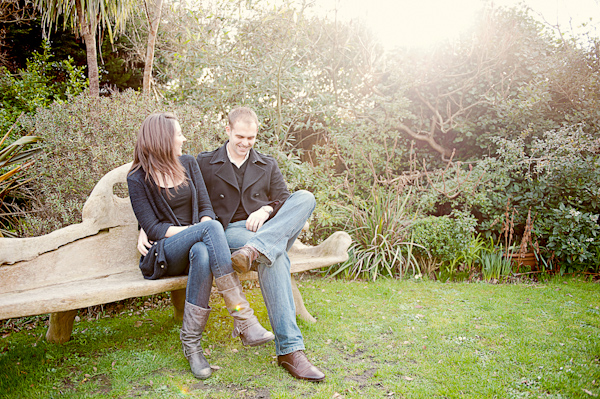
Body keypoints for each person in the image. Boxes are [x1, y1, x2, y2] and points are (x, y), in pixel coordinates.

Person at [127, 112, 274, 381]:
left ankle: (192, 346)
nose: (183, 138)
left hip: (197, 249)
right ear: (162, 140)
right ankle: (243, 319)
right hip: (164, 253)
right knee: (210, 230)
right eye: (178, 135)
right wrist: (198, 231)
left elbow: (206, 207)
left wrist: (202, 230)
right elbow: (154, 228)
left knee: (204, 249)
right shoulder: (137, 178)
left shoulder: (188, 163)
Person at [196, 107, 325, 382]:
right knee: (275, 257)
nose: (245, 143)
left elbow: (285, 200)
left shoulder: (267, 164)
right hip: (229, 234)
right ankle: (291, 351)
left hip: (267, 230)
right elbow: (186, 199)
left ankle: (257, 249)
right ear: (228, 130)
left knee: (305, 197)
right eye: (240, 136)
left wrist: (266, 210)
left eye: (251, 138)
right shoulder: (206, 163)